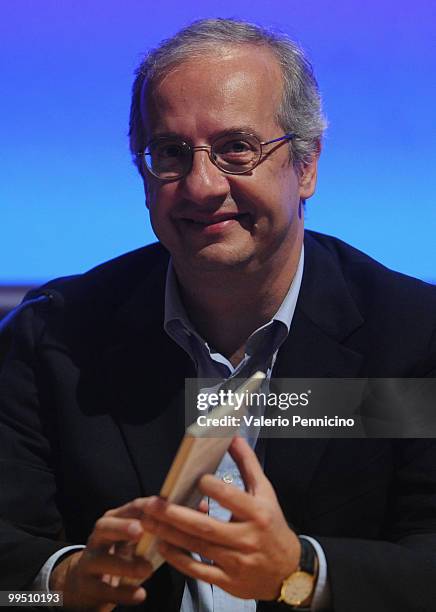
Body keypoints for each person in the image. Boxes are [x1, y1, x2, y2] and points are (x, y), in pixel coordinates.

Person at [1, 17, 436, 612]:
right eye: (171, 153)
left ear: (305, 165)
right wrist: (58, 586)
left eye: (238, 148)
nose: (202, 185)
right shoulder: (54, 338)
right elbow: (9, 577)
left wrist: (302, 573)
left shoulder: (414, 337)